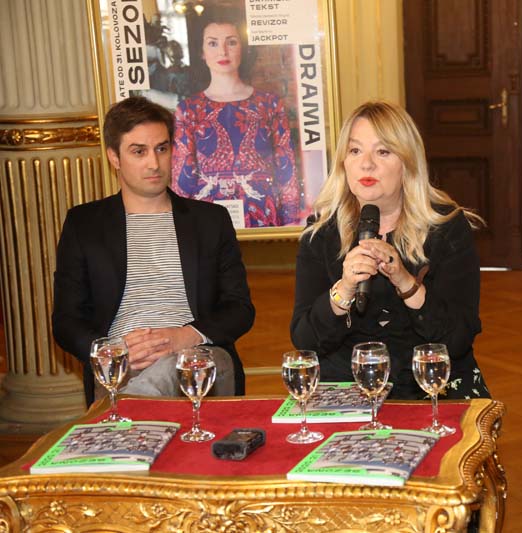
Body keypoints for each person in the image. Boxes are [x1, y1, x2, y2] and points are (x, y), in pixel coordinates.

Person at [53, 96, 255, 406]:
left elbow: (239, 308)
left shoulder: (209, 221)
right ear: (114, 157)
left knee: (178, 367)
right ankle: (138, 401)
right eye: (139, 151)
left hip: (198, 358)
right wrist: (112, 351)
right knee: (131, 378)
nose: (154, 163)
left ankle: (133, 407)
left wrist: (184, 337)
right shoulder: (84, 224)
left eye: (162, 149)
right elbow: (66, 321)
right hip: (122, 363)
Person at [290, 101, 490, 400]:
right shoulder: (321, 231)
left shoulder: (445, 227)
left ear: (407, 162)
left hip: (430, 384)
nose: (366, 164)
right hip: (348, 386)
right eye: (355, 151)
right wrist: (344, 289)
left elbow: (458, 338)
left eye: (383, 152)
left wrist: (406, 283)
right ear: (343, 163)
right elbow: (305, 340)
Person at [171, 13, 300, 227]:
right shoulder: (189, 109)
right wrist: (184, 228)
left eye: (231, 42)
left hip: (263, 216)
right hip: (208, 220)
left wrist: (291, 222)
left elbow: (286, 170)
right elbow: (182, 177)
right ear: (201, 51)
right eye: (213, 43)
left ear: (243, 47)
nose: (223, 51)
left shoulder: (269, 104)